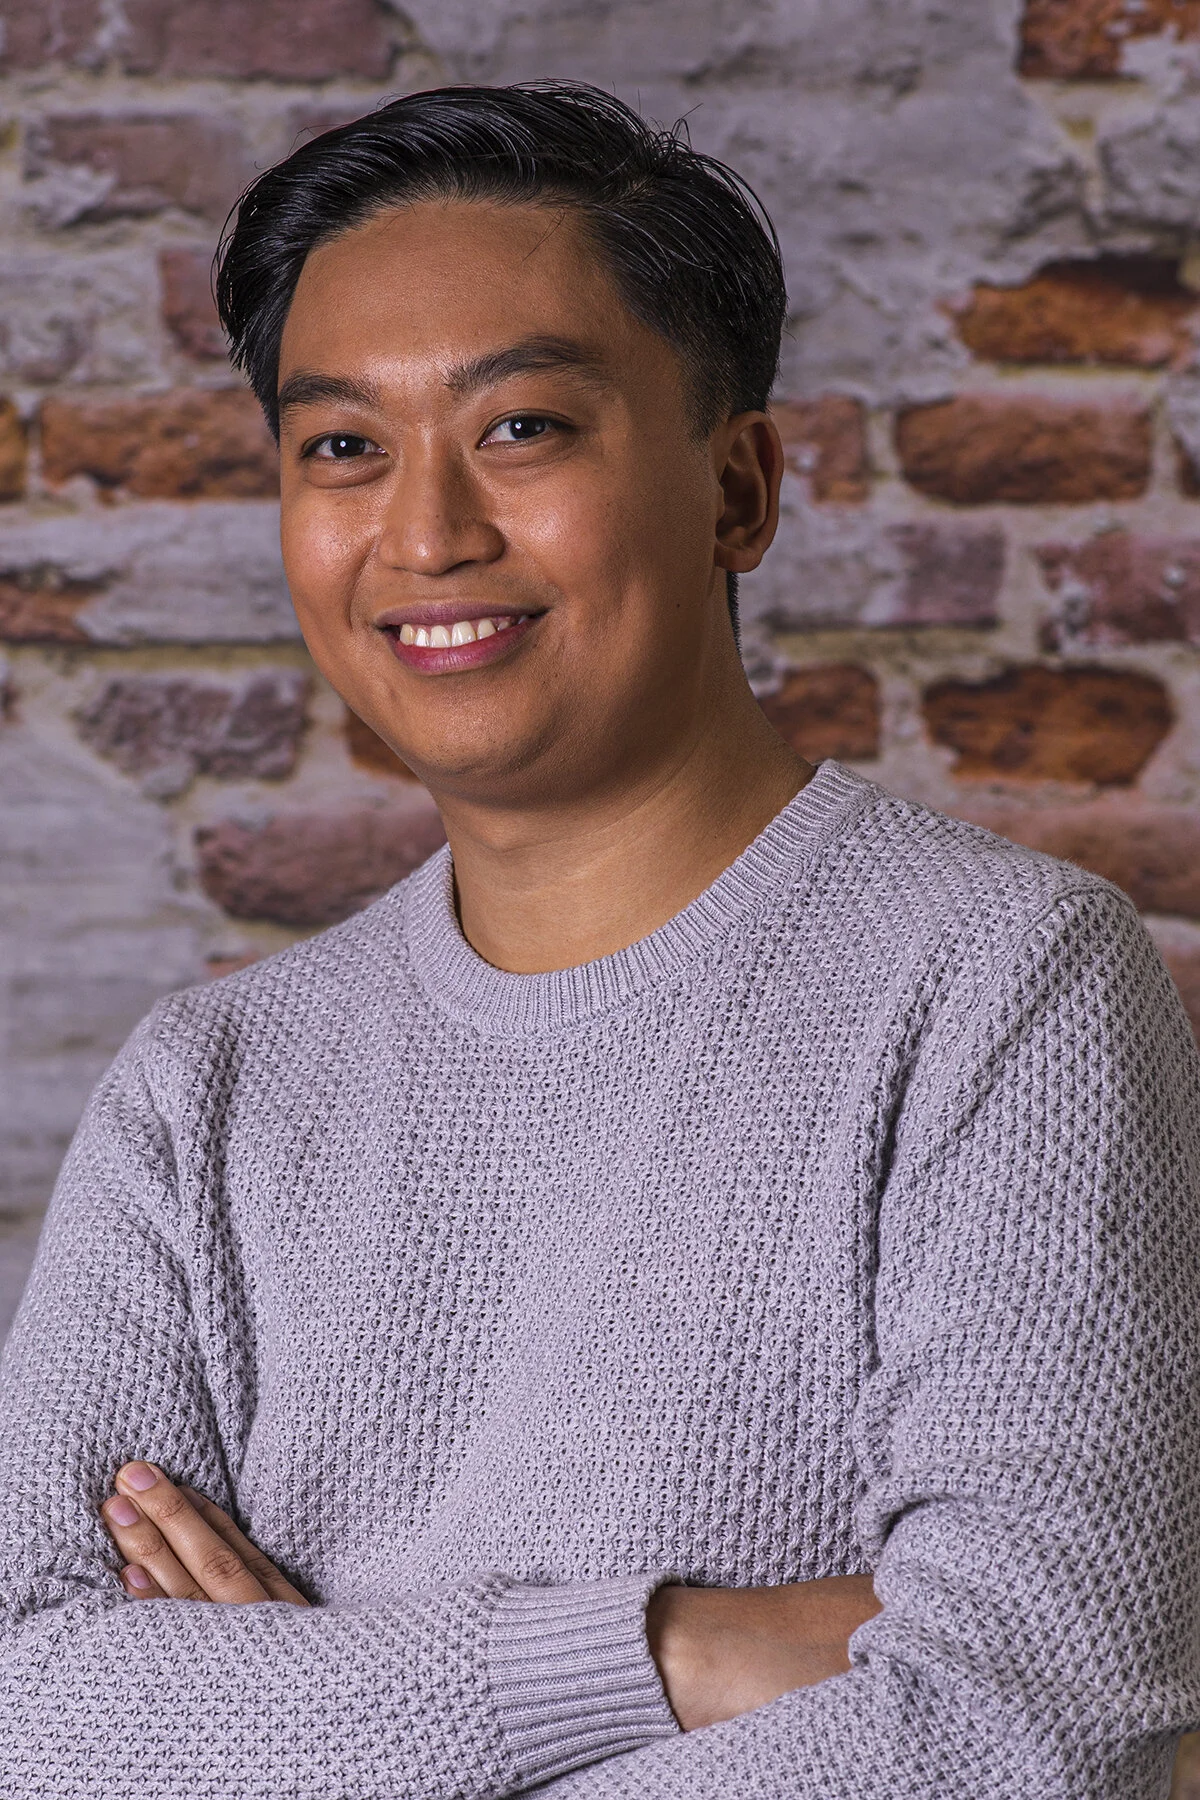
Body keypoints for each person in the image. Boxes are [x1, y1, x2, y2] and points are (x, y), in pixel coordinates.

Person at [1, 79, 1198, 1800]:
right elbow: (25, 1706)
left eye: (523, 428)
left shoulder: (1002, 986)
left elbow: (1031, 1727)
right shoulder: (210, 1090)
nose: (427, 535)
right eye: (342, 447)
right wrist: (663, 1655)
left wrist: (285, 1727)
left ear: (739, 489)